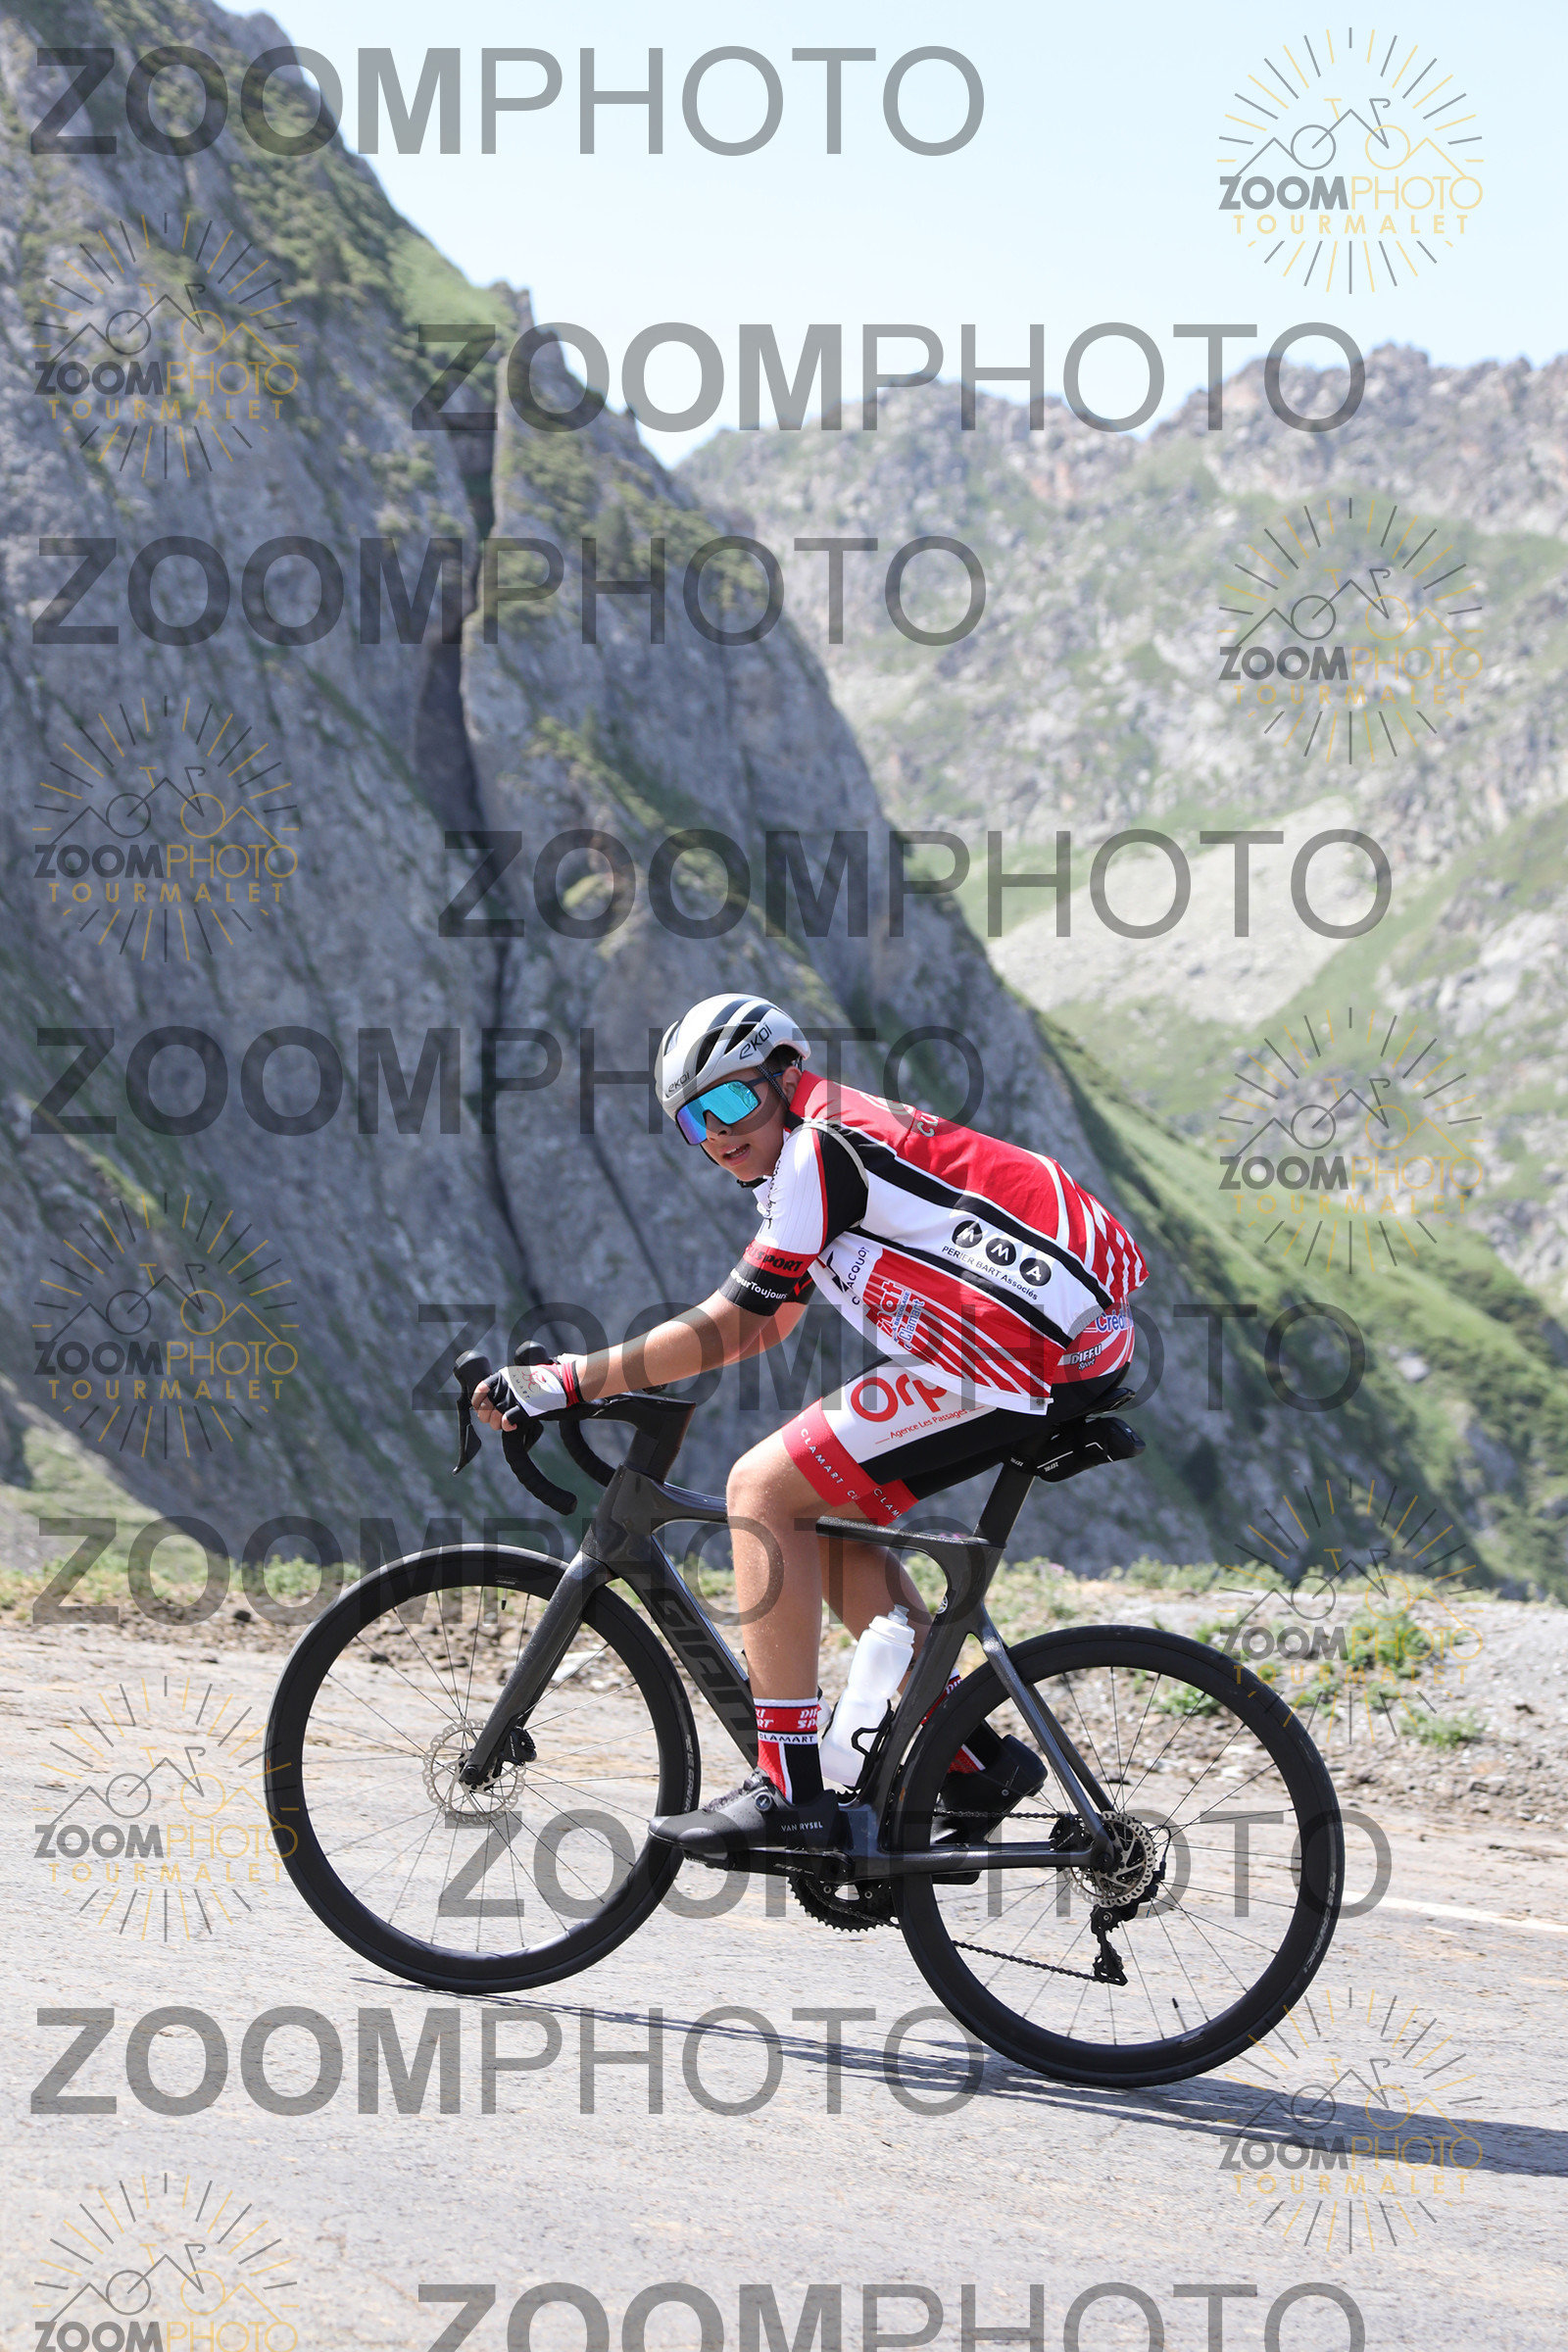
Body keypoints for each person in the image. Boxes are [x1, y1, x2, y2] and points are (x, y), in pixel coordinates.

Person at [475, 994, 1148, 1858]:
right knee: (826, 1526)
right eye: (693, 1122)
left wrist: (567, 1380)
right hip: (1051, 1345)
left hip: (1017, 1354)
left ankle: (789, 1790)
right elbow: (769, 1323)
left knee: (762, 1491)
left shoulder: (815, 1151)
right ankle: (969, 1759)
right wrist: (598, 1379)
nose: (718, 1134)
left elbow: (733, 1324)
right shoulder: (822, 1142)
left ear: (786, 1074)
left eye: (731, 1100)